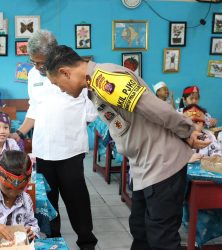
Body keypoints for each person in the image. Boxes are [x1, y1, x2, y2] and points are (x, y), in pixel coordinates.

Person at [45, 45, 211, 250]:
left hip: (161, 162)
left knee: (161, 238)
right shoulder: (95, 85)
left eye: (57, 84)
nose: (61, 89)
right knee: (140, 231)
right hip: (145, 165)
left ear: (65, 72)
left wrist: (187, 130)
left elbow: (153, 107)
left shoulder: (107, 78)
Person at [10, 30, 98, 250]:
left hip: (70, 150)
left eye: (40, 62)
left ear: (54, 56)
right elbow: (35, 107)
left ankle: (86, 243)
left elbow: (90, 113)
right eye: (33, 61)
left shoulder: (73, 73)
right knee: (48, 202)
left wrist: (68, 126)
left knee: (76, 201)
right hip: (42, 149)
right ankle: (52, 242)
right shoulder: (32, 75)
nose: (37, 67)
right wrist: (20, 132)